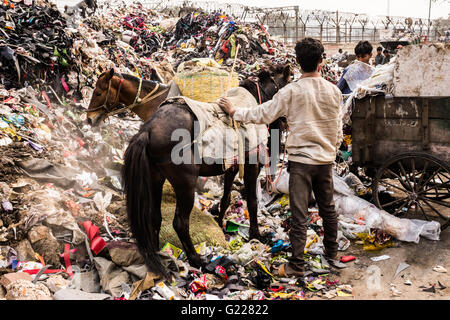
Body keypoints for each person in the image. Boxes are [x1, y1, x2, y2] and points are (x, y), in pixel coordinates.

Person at [218, 38, 346, 277]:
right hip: (325, 160)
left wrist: (235, 111)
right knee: (328, 209)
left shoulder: (291, 91)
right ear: (321, 61)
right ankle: (332, 254)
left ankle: (296, 265)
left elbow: (263, 114)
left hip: (301, 162)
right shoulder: (334, 91)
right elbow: (338, 129)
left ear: (297, 63)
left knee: (299, 214)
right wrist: (330, 149)